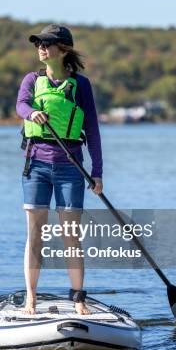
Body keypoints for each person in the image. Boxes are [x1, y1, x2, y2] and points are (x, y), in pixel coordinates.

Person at [16, 24, 103, 315]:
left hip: (71, 167)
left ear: (63, 50)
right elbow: (21, 105)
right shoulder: (31, 79)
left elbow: (91, 129)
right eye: (38, 43)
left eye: (47, 43)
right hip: (36, 165)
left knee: (70, 236)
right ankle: (31, 298)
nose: (41, 48)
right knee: (36, 233)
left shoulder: (81, 85)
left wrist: (98, 171)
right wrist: (32, 113)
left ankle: (79, 299)